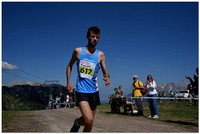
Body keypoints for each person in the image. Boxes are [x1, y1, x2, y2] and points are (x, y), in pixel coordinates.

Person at [66, 26, 110, 132]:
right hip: (81, 90)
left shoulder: (101, 55)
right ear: (87, 37)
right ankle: (77, 122)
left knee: (89, 124)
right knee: (88, 119)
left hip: (94, 91)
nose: (95, 39)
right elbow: (69, 66)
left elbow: (106, 73)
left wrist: (107, 78)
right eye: (92, 36)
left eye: (97, 37)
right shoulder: (78, 51)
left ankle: (79, 123)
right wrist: (68, 82)